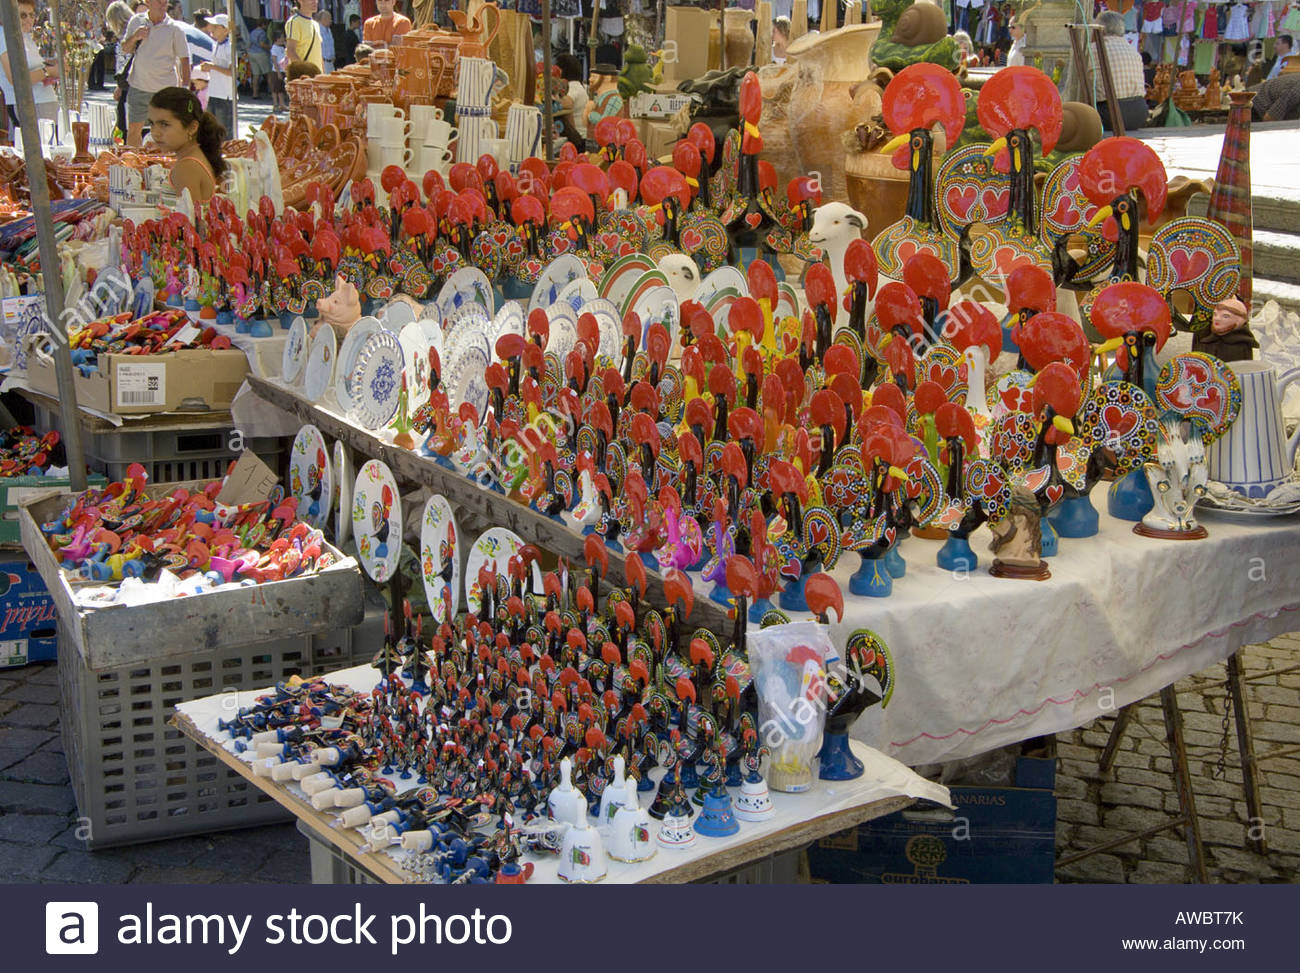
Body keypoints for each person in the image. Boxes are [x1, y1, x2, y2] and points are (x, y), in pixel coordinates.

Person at [121, 0, 191, 147]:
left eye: (165, 1)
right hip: (139, 87)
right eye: (159, 0)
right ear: (148, 2)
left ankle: (165, 166)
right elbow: (125, 49)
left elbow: (185, 60)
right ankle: (133, 165)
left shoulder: (175, 29)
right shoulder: (136, 21)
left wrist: (185, 89)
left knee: (166, 133)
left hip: (165, 92)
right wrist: (135, 36)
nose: (163, 3)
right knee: (133, 131)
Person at [148, 85, 226, 205]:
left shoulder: (186, 167)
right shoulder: (192, 158)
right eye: (152, 123)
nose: (155, 132)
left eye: (164, 124)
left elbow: (190, 221)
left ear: (192, 128)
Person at [0, 0, 60, 130]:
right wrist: (48, 71)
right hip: (31, 105)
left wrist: (51, 66)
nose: (29, 19)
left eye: (32, 15)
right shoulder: (4, 36)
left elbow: (31, 66)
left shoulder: (23, 36)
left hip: (42, 103)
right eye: (23, 15)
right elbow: (16, 79)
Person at [1093, 10, 1148, 132]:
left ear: (1100, 28)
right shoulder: (1133, 50)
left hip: (1110, 115)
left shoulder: (1094, 49)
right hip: (1139, 113)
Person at [1193, 297, 1257, 362]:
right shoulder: (1204, 342)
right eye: (1215, 314)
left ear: (1240, 320)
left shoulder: (1242, 346)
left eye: (1225, 316)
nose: (1217, 318)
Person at [106, 0, 135, 137]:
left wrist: (120, 85)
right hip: (128, 83)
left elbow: (123, 62)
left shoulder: (127, 35)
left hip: (128, 84)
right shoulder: (133, 30)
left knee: (125, 125)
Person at [204, 13, 233, 136]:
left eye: (216, 26)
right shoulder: (215, 45)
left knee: (224, 132)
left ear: (225, 30)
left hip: (225, 95)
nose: (212, 28)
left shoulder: (230, 47)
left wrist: (212, 67)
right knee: (211, 130)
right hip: (214, 92)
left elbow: (232, 72)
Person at [286, 0, 325, 74]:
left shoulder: (315, 24)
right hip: (302, 78)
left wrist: (322, 74)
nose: (315, 2)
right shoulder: (294, 22)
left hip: (316, 77)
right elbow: (290, 51)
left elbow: (318, 53)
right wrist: (305, 71)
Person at [585, 62, 624, 137]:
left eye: (594, 77)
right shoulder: (600, 98)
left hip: (608, 145)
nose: (590, 79)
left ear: (607, 78)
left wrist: (589, 113)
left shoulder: (615, 99)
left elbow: (604, 122)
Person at [556, 53, 588, 141]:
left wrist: (551, 98)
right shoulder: (578, 85)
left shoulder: (573, 85)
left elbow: (568, 103)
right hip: (580, 134)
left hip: (578, 136)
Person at [246, 19, 271, 99]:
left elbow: (249, 43)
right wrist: (271, 48)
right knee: (268, 74)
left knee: (256, 75)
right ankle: (272, 92)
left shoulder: (252, 32)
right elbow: (262, 44)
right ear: (263, 24)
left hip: (252, 53)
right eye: (266, 25)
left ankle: (255, 93)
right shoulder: (262, 33)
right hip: (261, 54)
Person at [269, 27, 288, 112]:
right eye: (282, 37)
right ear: (277, 39)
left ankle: (282, 104)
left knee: (281, 89)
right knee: (275, 88)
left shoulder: (282, 47)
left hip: (283, 70)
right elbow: (274, 60)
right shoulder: (274, 48)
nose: (283, 39)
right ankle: (275, 104)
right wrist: (278, 72)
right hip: (276, 71)